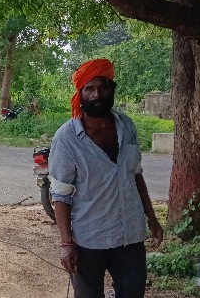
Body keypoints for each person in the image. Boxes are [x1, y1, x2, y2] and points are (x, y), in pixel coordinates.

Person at [49, 58, 163, 297]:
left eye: (102, 87)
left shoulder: (127, 126)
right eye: (89, 89)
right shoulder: (67, 139)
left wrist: (151, 218)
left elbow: (136, 175)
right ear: (80, 94)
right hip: (89, 239)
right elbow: (61, 196)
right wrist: (67, 244)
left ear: (112, 89)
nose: (96, 94)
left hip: (130, 235)